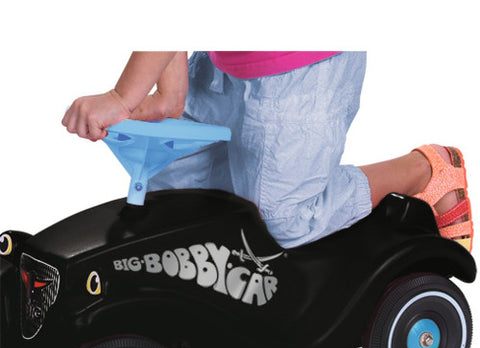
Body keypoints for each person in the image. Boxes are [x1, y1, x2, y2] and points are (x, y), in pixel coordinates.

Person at [62, 51, 473, 251]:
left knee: (283, 217)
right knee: (179, 184)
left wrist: (123, 96)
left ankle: (425, 169)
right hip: (231, 62)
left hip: (302, 69)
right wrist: (172, 93)